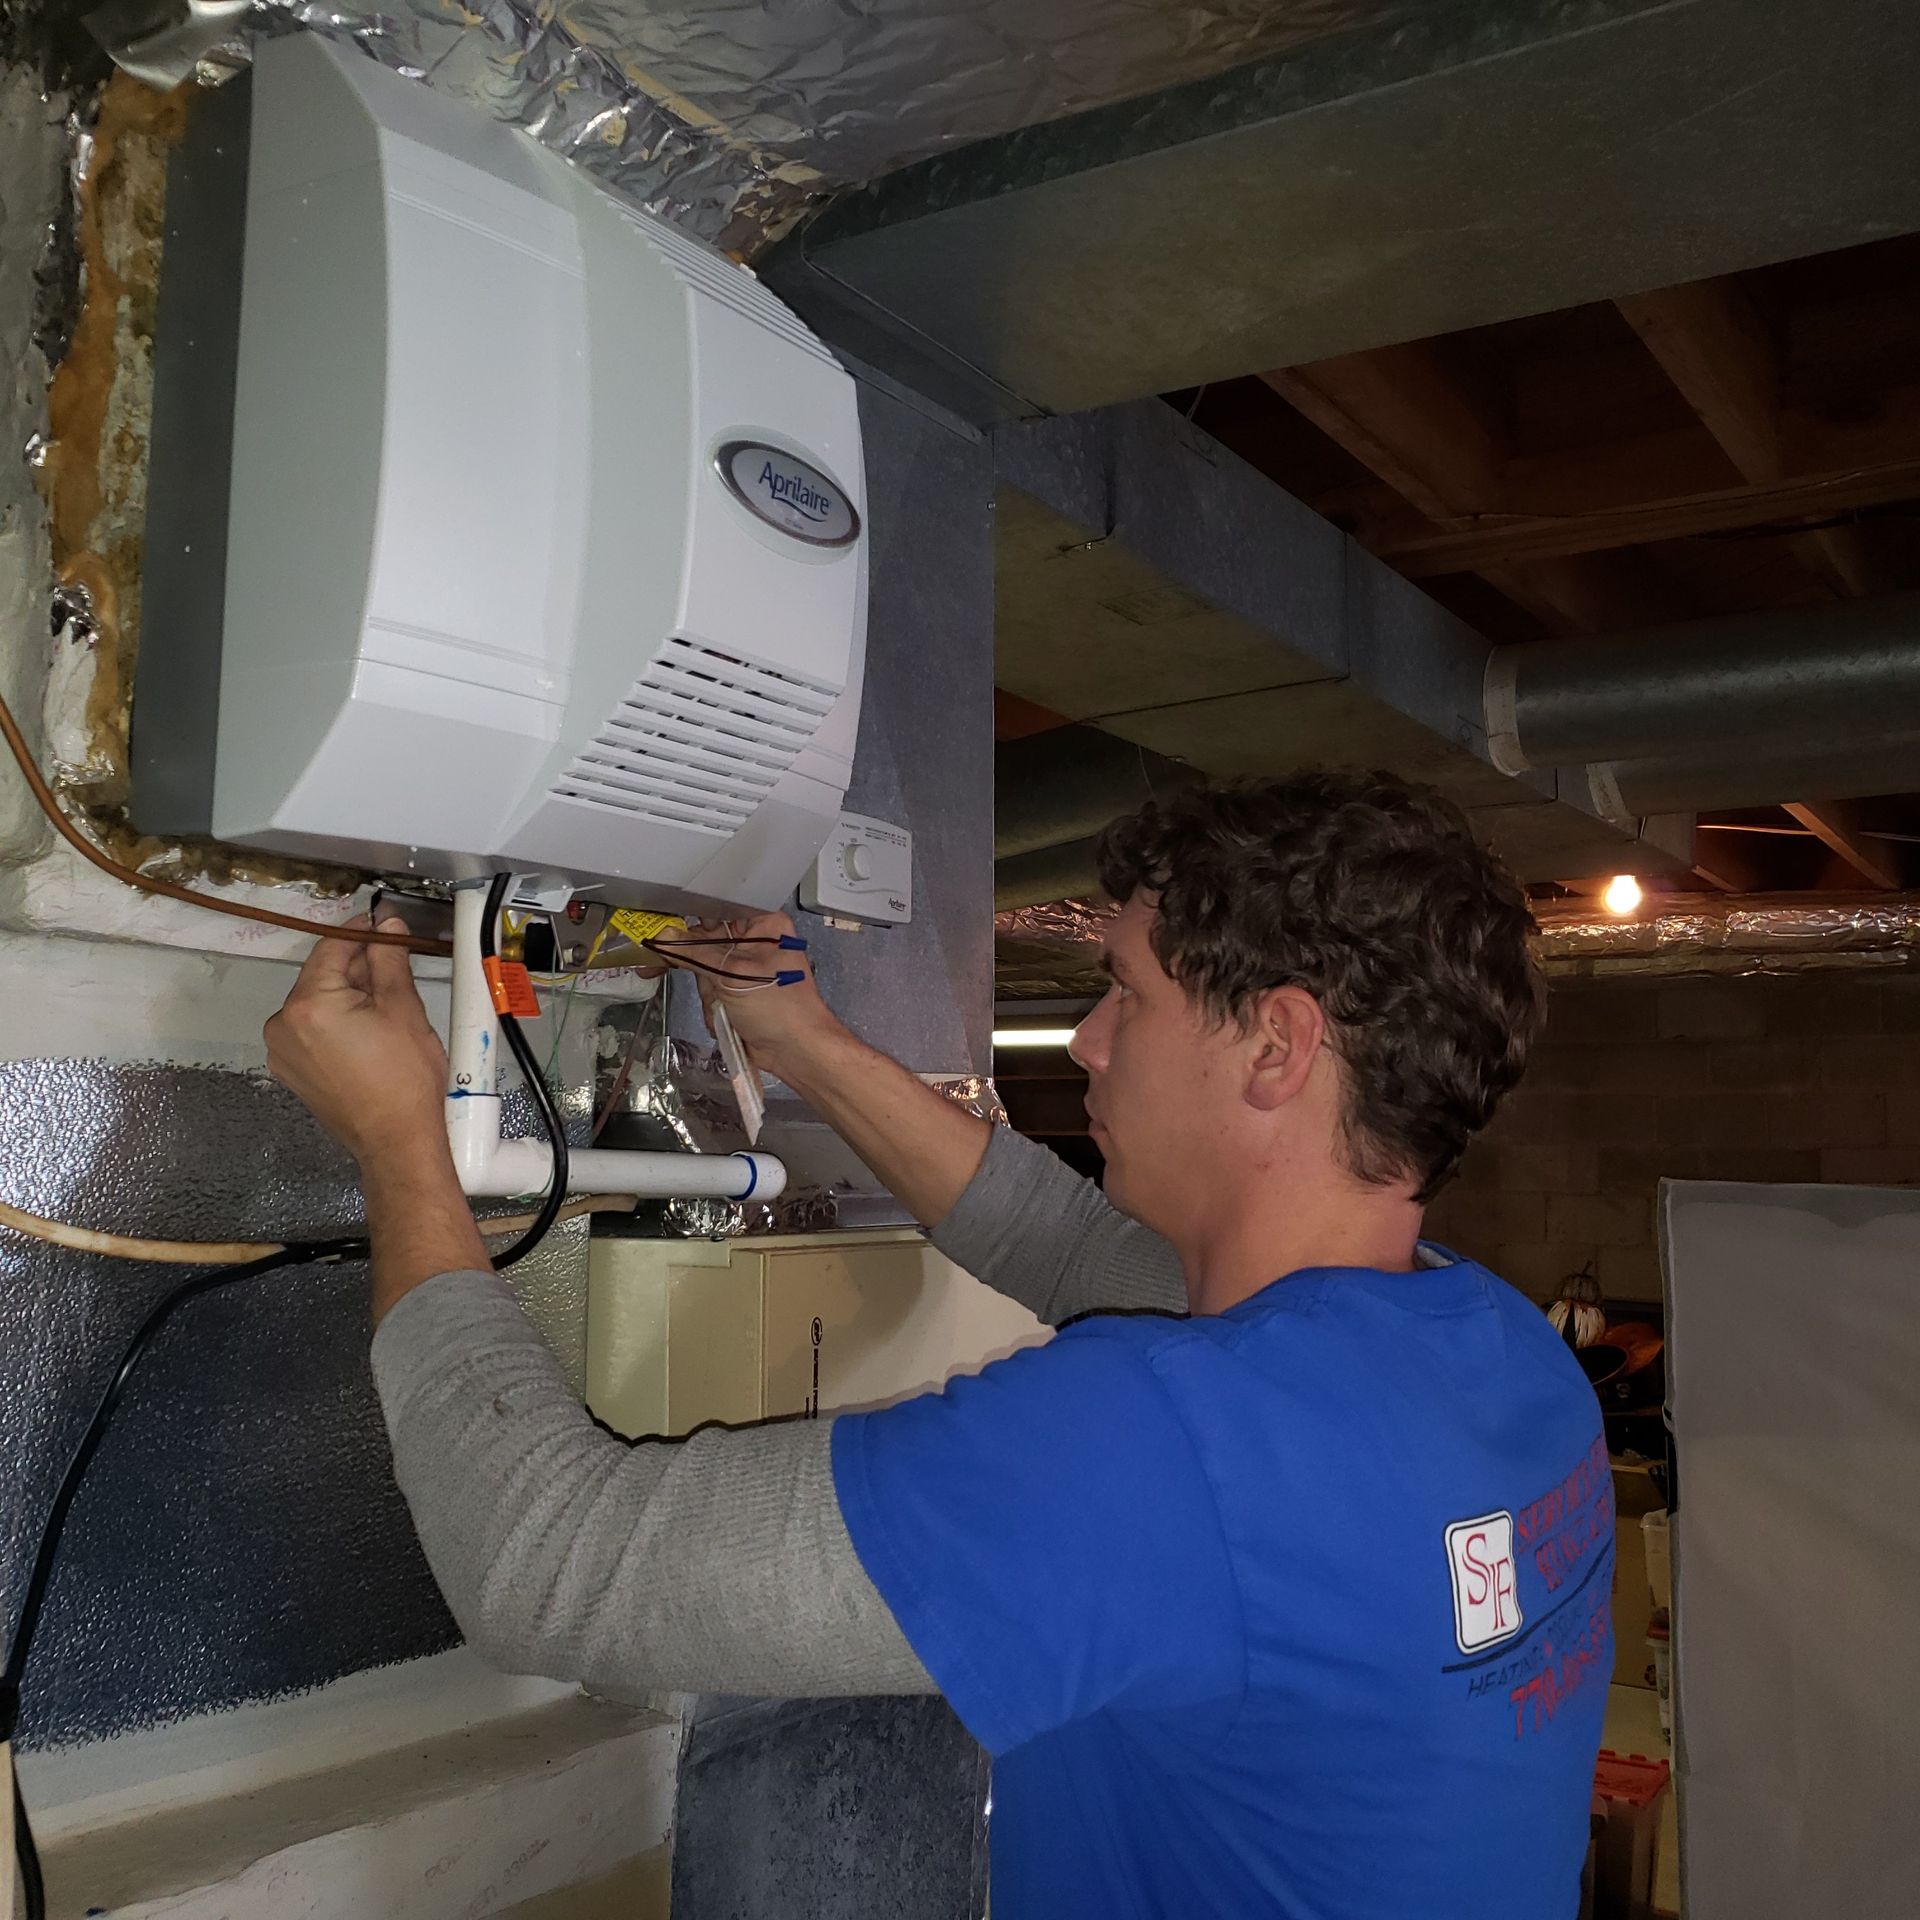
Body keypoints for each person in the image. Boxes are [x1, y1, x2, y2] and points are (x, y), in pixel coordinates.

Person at [264, 769, 1610, 1920]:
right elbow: (1067, 1247)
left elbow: (544, 1568)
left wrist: (400, 1144)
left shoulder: (1172, 1452)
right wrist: (804, 1039)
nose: (1085, 1039)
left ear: (1277, 1047)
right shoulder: (1501, 1355)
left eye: (1126, 994)